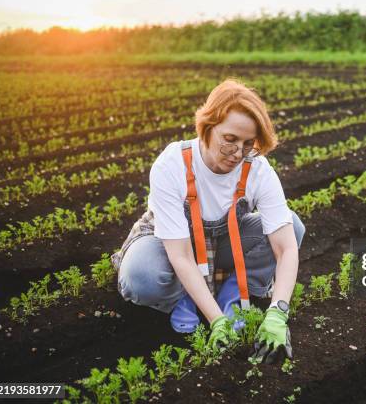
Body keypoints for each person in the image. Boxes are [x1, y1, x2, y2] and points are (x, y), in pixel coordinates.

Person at [110, 78, 305, 364]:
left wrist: (278, 312)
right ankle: (181, 298)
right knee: (141, 276)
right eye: (230, 139)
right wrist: (216, 320)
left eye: (248, 143)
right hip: (170, 243)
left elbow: (286, 248)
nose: (238, 153)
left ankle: (235, 292)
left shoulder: (257, 169)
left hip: (225, 239)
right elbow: (182, 255)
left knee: (292, 225)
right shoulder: (172, 164)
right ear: (207, 127)